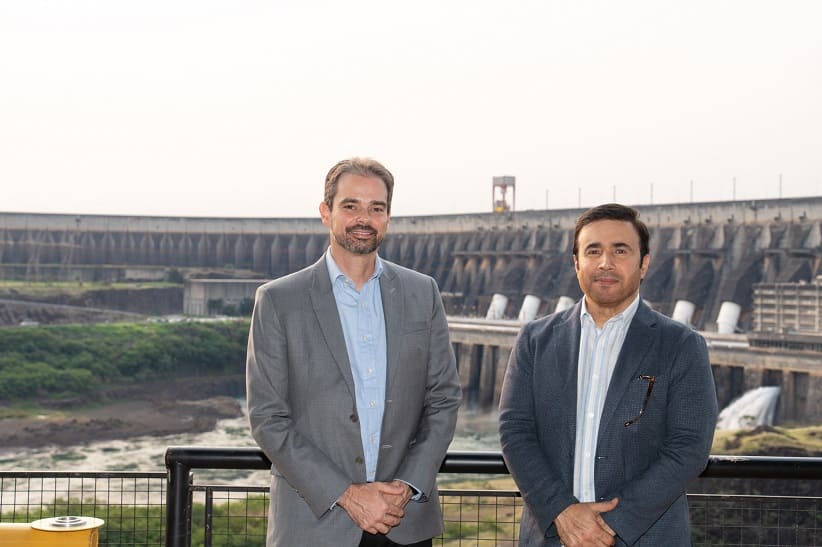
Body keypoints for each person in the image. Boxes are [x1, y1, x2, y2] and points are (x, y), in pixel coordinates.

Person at [246, 157, 462, 547]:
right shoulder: (279, 300)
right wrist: (347, 494)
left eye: (376, 208)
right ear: (326, 212)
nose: (364, 218)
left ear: (388, 217)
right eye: (351, 206)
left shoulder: (421, 293)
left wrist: (407, 484)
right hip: (314, 524)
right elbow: (267, 418)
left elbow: (444, 399)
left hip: (403, 519)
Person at [499, 203, 718, 547]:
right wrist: (562, 511)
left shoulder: (681, 345)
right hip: (553, 536)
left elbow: (689, 447)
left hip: (644, 538)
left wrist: (612, 524)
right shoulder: (535, 340)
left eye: (620, 250)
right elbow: (515, 432)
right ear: (576, 262)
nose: (605, 263)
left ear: (644, 263)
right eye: (593, 251)